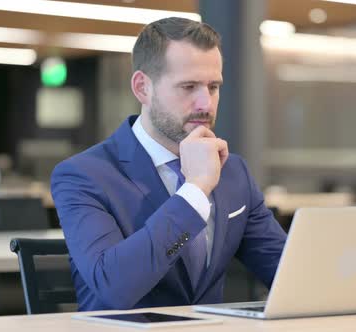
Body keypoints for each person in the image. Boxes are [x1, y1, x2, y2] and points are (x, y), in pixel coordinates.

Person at [51, 17, 287, 311]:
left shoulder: (233, 172)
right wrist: (196, 190)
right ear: (142, 88)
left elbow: (288, 274)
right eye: (188, 87)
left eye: (213, 87)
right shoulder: (83, 175)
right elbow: (113, 286)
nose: (206, 103)